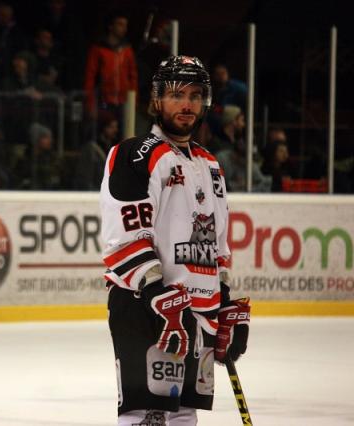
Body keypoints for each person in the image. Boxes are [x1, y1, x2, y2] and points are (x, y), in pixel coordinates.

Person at [99, 55, 250, 425]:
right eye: (176, 94)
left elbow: (218, 247)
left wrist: (223, 303)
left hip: (196, 313)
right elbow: (124, 240)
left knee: (184, 417)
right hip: (147, 308)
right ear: (156, 99)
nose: (187, 105)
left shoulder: (210, 164)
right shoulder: (135, 155)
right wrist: (158, 297)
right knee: (144, 417)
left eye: (195, 96)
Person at [84, 13, 138, 125]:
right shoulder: (98, 49)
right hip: (104, 101)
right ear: (111, 26)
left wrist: (134, 101)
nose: (124, 28)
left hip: (124, 102)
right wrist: (90, 104)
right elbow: (90, 77)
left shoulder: (127, 50)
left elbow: (133, 77)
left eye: (125, 25)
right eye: (120, 24)